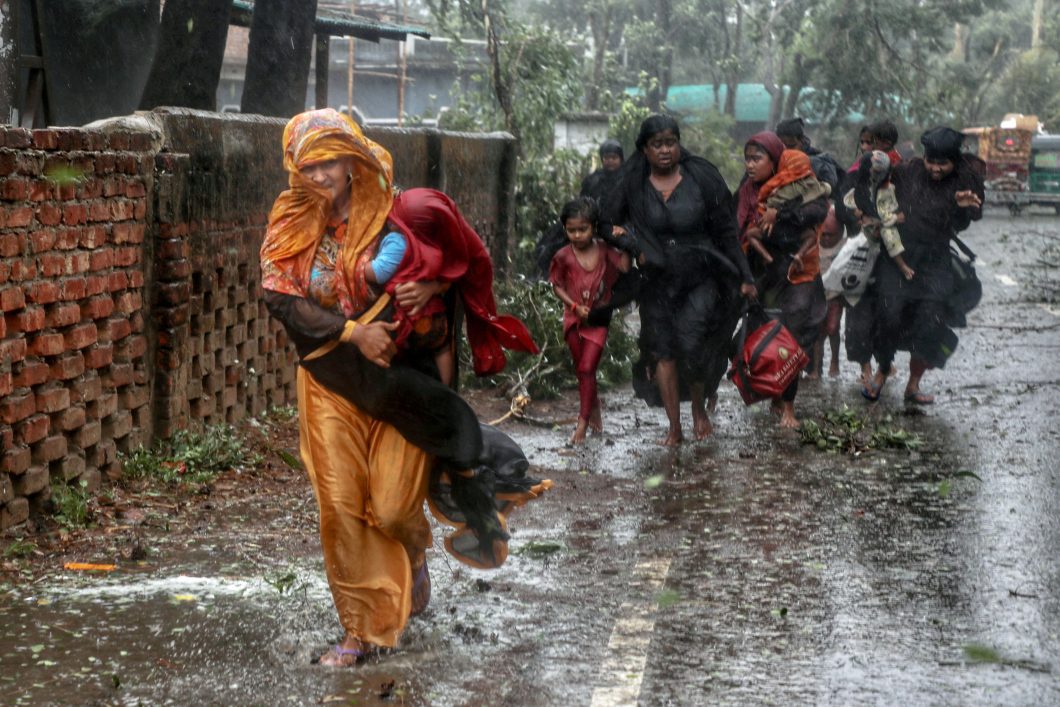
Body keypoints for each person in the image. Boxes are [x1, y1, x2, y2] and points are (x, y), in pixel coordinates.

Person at [260, 108, 551, 666]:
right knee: (341, 508)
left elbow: (463, 261)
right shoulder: (290, 219)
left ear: (354, 161)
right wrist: (352, 331)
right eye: (308, 166)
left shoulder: (394, 216)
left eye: (330, 163)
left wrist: (434, 284)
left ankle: (414, 555)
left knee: (393, 510)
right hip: (330, 379)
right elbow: (279, 297)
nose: (319, 176)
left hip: (399, 384)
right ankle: (358, 630)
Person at [608, 114, 756, 445]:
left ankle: (699, 409)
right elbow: (604, 222)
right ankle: (674, 428)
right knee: (662, 350)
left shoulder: (702, 177)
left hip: (701, 274)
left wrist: (744, 276)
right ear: (644, 149)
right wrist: (631, 245)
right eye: (657, 145)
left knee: (693, 346)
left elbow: (726, 230)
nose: (665, 150)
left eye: (670, 143)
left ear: (679, 144)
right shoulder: (633, 184)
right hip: (656, 280)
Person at [863, 126, 984, 404]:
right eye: (932, 161)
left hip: (936, 258)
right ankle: (882, 370)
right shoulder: (909, 171)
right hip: (899, 255)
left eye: (943, 164)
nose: (936, 169)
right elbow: (880, 193)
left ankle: (913, 384)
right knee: (889, 314)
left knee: (930, 319)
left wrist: (964, 205)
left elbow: (972, 216)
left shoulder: (966, 178)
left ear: (954, 160)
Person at [737, 132, 828, 428]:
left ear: (774, 160)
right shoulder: (747, 190)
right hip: (766, 271)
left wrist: (781, 212)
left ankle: (788, 406)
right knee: (760, 332)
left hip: (799, 269)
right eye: (747, 159)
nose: (750, 165)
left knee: (793, 334)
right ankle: (767, 389)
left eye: (757, 158)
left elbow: (818, 208)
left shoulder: (796, 181)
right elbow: (737, 228)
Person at [549, 197, 631, 444]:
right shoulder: (563, 256)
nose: (576, 235)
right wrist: (573, 306)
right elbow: (556, 285)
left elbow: (625, 268)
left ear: (594, 227)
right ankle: (593, 411)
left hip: (598, 319)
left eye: (582, 229)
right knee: (582, 371)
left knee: (587, 368)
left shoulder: (605, 251)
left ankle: (581, 425)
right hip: (573, 319)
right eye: (571, 230)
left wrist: (626, 241)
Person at [846, 150, 915, 282]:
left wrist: (891, 218)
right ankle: (899, 265)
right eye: (875, 172)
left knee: (889, 235)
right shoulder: (862, 187)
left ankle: (899, 265)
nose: (878, 175)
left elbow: (898, 207)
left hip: (888, 218)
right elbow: (855, 204)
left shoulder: (891, 184)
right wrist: (861, 216)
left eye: (880, 172)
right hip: (871, 228)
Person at [810, 205, 845, 379]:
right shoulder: (813, 244)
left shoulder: (845, 246)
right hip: (817, 295)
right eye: (822, 234)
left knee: (833, 328)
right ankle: (816, 368)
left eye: (829, 235)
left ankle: (835, 361)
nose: (825, 238)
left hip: (835, 296)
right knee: (818, 332)